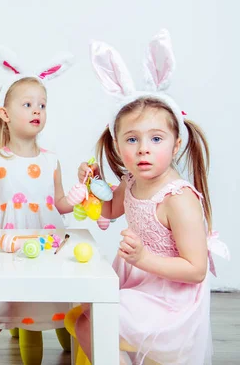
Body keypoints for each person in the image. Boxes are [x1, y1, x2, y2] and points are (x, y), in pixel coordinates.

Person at [70, 29, 229, 365]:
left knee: (91, 321)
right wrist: (92, 185)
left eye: (156, 139)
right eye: (132, 139)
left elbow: (196, 269)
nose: (143, 148)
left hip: (170, 297)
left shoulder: (178, 198)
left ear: (177, 143)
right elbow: (110, 209)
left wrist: (143, 258)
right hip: (139, 279)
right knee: (84, 309)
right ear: (117, 145)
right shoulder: (131, 180)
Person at [0, 46, 75, 364]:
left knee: (53, 292)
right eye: (28, 104)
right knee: (11, 294)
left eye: (42, 105)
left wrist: (77, 199)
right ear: (5, 114)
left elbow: (61, 202)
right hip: (9, 243)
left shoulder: (51, 160)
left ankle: (63, 328)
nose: (37, 110)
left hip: (46, 240)